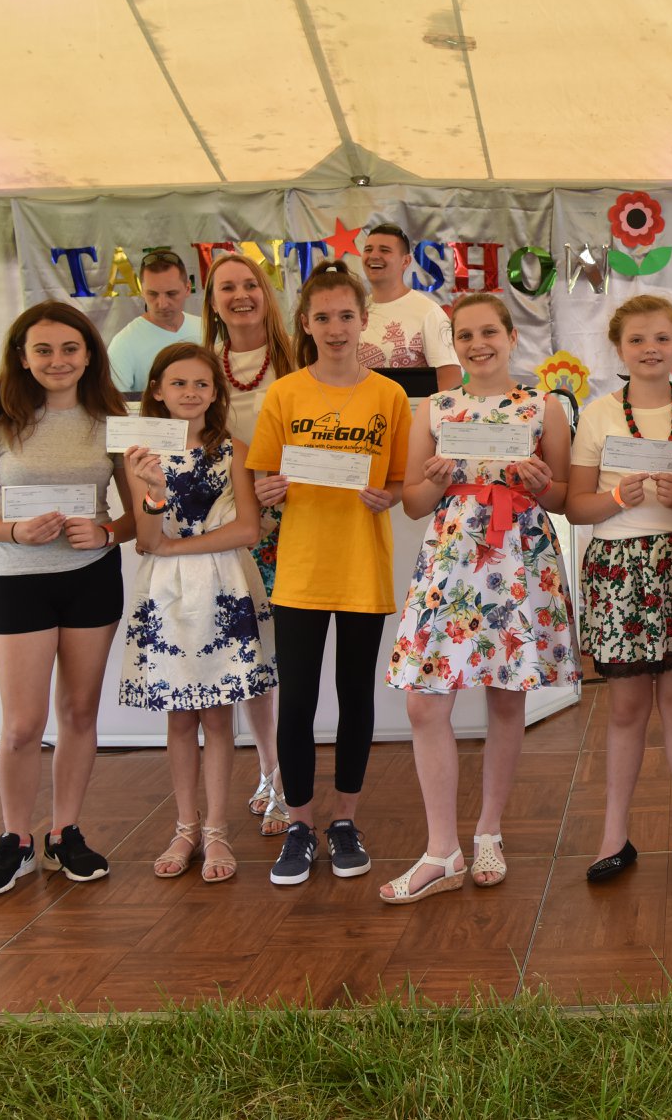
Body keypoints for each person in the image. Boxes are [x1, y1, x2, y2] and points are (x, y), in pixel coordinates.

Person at [379, 293, 579, 903]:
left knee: (506, 697)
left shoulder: (544, 407)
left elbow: (564, 497)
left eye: (488, 331)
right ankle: (442, 849)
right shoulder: (435, 408)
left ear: (512, 337)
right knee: (424, 704)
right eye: (464, 335)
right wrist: (433, 481)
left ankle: (489, 831)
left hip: (517, 555)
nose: (477, 344)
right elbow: (414, 503)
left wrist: (543, 484)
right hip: (450, 558)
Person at [0, 300, 137, 895]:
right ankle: (15, 840)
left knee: (78, 714)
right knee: (23, 725)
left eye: (70, 348)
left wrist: (107, 533)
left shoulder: (113, 420)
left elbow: (139, 517)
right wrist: (11, 530)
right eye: (44, 350)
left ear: (89, 355)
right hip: (20, 581)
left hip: (92, 578)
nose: (58, 360)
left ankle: (64, 833)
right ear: (23, 358)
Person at [247, 260, 411, 887]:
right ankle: (298, 824)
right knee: (297, 701)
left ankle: (345, 820)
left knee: (355, 697)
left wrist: (389, 496)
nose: (336, 327)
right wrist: (269, 489)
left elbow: (399, 481)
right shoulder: (285, 394)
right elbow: (264, 479)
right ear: (306, 323)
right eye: (324, 317)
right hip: (301, 570)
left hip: (363, 567)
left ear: (364, 320)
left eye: (347, 315)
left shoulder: (389, 396)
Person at [566, 295, 672, 884]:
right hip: (618, 569)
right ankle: (614, 834)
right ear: (619, 348)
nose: (650, 349)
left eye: (662, 338)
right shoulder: (597, 414)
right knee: (626, 708)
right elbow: (575, 507)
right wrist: (615, 498)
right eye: (637, 339)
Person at [119, 343, 276, 883]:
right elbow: (146, 539)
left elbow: (248, 529)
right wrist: (155, 495)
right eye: (179, 383)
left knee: (217, 715)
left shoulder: (234, 450)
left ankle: (217, 830)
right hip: (166, 593)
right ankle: (185, 828)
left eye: (201, 384)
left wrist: (176, 547)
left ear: (215, 392)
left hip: (223, 586)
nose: (190, 393)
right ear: (157, 391)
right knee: (180, 716)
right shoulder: (140, 456)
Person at [200, 252, 295, 837]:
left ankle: (293, 775)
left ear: (267, 292)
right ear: (212, 303)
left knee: (292, 654)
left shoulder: (299, 359)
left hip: (294, 523)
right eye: (226, 287)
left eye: (250, 284)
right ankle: (270, 772)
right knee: (251, 657)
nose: (240, 295)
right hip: (229, 527)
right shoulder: (200, 366)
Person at [360, 222, 460, 389]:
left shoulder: (428, 312)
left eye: (384, 250)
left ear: (405, 261)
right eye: (368, 249)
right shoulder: (354, 312)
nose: (374, 255)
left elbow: (451, 378)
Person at [108, 249, 205, 393]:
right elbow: (115, 403)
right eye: (152, 294)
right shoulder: (123, 344)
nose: (162, 304)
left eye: (171, 293)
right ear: (142, 291)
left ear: (187, 288)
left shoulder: (207, 329)